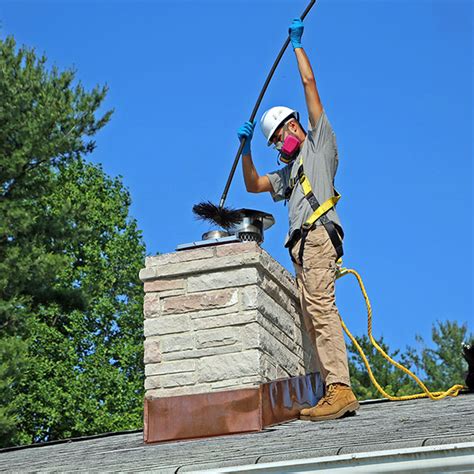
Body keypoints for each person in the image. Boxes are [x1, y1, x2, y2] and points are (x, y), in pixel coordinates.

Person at [237, 19, 359, 421]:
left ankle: (340, 389)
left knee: (322, 310)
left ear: (294, 125)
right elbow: (253, 184)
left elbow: (310, 87)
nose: (281, 144)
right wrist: (247, 149)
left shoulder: (319, 146)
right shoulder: (288, 174)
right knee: (311, 316)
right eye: (274, 142)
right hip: (300, 248)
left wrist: (297, 47)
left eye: (280, 136)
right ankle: (329, 386)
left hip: (319, 238)